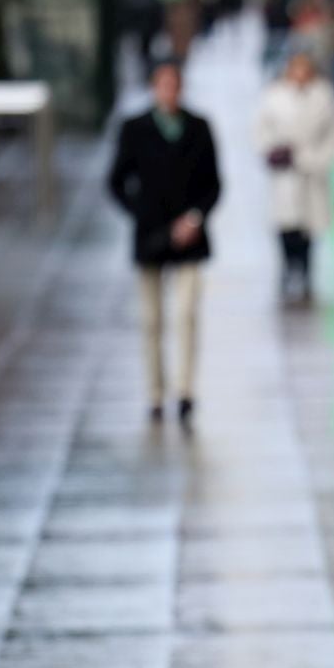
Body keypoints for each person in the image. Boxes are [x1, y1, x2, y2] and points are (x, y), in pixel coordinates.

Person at [106, 60, 221, 428]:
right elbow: (116, 181)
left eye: (174, 84)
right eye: (163, 84)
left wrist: (195, 217)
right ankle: (155, 392)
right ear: (154, 88)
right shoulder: (135, 129)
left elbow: (214, 184)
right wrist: (140, 213)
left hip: (189, 237)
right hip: (151, 236)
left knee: (186, 315)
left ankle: (185, 390)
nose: (169, 91)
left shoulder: (199, 128)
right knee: (152, 320)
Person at [254, 50, 334, 302]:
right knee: (286, 226)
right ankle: (287, 269)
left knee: (308, 229)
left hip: (312, 172)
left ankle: (305, 273)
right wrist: (274, 152)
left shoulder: (324, 97)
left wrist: (319, 159)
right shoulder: (275, 96)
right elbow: (261, 129)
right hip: (285, 172)